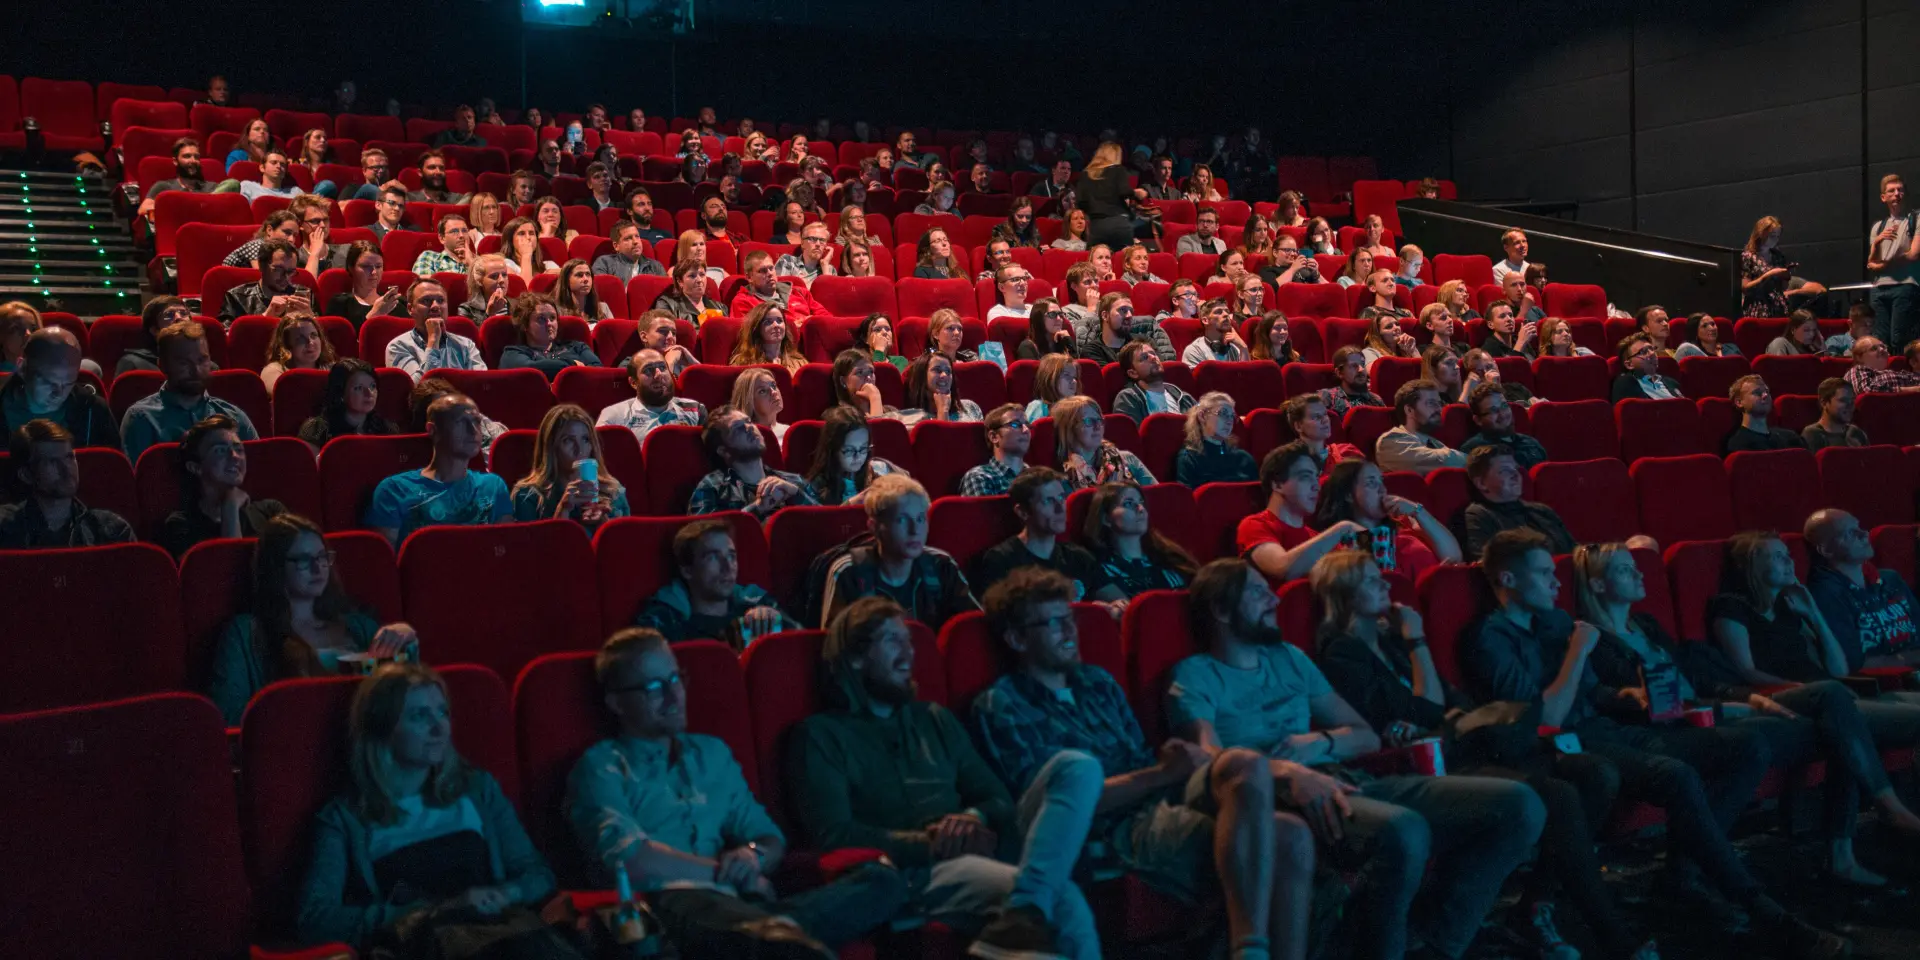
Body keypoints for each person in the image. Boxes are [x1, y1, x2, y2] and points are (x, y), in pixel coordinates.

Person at [1463, 531, 1853, 960]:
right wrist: (1578, 652)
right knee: (1676, 775)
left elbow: (1592, 694)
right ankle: (1762, 910)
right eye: (1542, 574)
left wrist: (1628, 696)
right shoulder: (1490, 638)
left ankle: (1682, 875)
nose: (1556, 584)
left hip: (1606, 729)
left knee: (1744, 747)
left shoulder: (1555, 622)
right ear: (1508, 579)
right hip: (1558, 747)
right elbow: (1546, 719)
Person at [1172, 557, 1545, 960]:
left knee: (1520, 805)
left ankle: (1433, 944)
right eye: (1258, 592)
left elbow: (1364, 736)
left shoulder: (1289, 659)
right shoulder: (1195, 675)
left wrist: (1318, 744)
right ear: (1221, 609)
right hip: (1279, 797)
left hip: (1345, 775)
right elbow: (1210, 760)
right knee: (1405, 830)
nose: (1273, 600)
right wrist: (1285, 768)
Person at [1310, 551, 1659, 960]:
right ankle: (1612, 938)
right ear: (1345, 595)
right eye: (1373, 581)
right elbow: (1427, 709)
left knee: (1593, 773)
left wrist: (1432, 694)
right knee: (1559, 796)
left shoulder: (1390, 641)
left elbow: (1444, 702)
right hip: (1433, 762)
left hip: (1466, 743)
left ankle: (1535, 906)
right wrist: (1419, 642)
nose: (1387, 585)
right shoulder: (1343, 652)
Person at [970, 567, 1322, 960]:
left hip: (1159, 797)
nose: (1070, 632)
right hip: (1112, 826)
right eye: (1053, 623)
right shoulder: (1003, 704)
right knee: (1285, 834)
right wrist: (1160, 773)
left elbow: (1140, 759)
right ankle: (1250, 951)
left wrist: (1173, 763)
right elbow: (1054, 807)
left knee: (1253, 774)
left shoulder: (1097, 683)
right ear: (1017, 638)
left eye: (1070, 618)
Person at [1576, 538, 1920, 891]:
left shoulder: (1645, 626)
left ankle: (1859, 836)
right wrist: (1733, 706)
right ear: (1598, 585)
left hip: (1723, 709)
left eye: (1635, 566)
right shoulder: (1592, 641)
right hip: (1693, 726)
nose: (1637, 574)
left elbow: (1700, 680)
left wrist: (1752, 699)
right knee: (1839, 720)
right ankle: (1863, 831)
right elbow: (1650, 705)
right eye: (1623, 569)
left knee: (1836, 710)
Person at [791, 596, 1104, 960]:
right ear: (857, 658)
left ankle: (1024, 910)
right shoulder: (821, 735)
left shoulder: (934, 718)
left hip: (987, 840)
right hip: (920, 870)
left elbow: (997, 798)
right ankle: (1026, 909)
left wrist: (973, 818)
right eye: (892, 640)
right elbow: (835, 834)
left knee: (1077, 766)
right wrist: (932, 842)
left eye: (909, 640)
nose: (908, 653)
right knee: (1064, 901)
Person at [568, 630, 906, 957]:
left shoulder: (711, 754)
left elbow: (768, 837)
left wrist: (751, 857)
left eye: (676, 679)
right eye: (654, 687)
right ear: (616, 703)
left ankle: (780, 930)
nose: (674, 696)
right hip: (670, 906)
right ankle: (783, 936)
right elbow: (630, 861)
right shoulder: (601, 766)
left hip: (742, 904)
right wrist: (720, 871)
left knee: (882, 881)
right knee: (759, 932)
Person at [295, 664, 559, 952]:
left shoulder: (477, 789)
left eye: (442, 712)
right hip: (425, 945)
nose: (439, 728)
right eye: (419, 716)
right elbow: (315, 919)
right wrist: (433, 911)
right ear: (382, 728)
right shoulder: (344, 818)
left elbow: (538, 874)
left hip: (503, 936)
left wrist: (507, 893)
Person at [203, 513, 419, 724]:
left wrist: (405, 639)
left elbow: (405, 698)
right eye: (303, 560)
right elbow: (229, 716)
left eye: (322, 557)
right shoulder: (245, 633)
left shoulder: (359, 626)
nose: (318, 568)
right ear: (276, 567)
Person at [820, 474, 977, 629]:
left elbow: (972, 628)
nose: (915, 530)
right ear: (874, 527)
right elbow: (834, 647)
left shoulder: (941, 566)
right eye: (902, 519)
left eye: (921, 519)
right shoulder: (850, 572)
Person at [364, 393, 510, 546]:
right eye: (461, 422)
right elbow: (385, 563)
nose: (473, 431)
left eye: (476, 422)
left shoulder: (493, 486)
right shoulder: (394, 490)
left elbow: (505, 554)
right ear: (433, 430)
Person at [971, 467, 1124, 605]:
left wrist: (1113, 608)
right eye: (1048, 501)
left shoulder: (1077, 556)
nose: (1060, 508)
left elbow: (1119, 601)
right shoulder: (1002, 560)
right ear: (1022, 512)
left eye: (1061, 498)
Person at [632, 520, 795, 648]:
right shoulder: (665, 622)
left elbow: (800, 644)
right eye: (713, 557)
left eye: (731, 556)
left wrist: (777, 621)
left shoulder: (756, 603)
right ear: (687, 570)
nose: (727, 566)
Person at [121, 320, 259, 464]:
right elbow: (139, 482)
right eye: (183, 363)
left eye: (202, 360)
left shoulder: (234, 416)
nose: (196, 370)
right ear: (162, 365)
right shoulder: (141, 418)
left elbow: (258, 472)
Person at [1804, 508, 1920, 674]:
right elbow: (1852, 663)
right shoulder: (1825, 594)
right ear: (1826, 550)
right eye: (1850, 533)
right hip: (1881, 685)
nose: (1864, 534)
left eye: (1859, 527)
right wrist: (1907, 659)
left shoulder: (1890, 579)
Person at [157, 414, 286, 557]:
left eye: (238, 449)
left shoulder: (270, 512)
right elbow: (228, 573)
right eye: (220, 450)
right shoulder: (180, 526)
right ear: (195, 467)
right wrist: (230, 507)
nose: (235, 456)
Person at [1312, 457, 1461, 581]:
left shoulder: (1405, 525)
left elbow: (1454, 557)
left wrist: (1418, 511)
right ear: (1348, 495)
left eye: (1381, 481)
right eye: (1371, 482)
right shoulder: (1340, 543)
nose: (1383, 489)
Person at [0, 419, 135, 547]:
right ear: (26, 474)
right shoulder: (5, 527)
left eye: (70, 458)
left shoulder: (112, 531)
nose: (66, 469)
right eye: (52, 462)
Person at [687, 405, 816, 519]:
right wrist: (757, 508)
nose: (749, 428)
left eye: (748, 422)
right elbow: (704, 537)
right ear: (723, 450)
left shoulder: (792, 481)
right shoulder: (712, 487)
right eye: (738, 428)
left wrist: (796, 494)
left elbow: (828, 523)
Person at [510, 404, 628, 527]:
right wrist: (563, 509)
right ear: (551, 447)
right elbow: (535, 546)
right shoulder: (527, 495)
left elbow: (622, 545)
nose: (579, 449)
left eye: (586, 439)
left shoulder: (612, 490)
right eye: (568, 440)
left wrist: (603, 522)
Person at [0, 327, 116, 447]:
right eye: (48, 382)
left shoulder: (93, 410)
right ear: (22, 368)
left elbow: (110, 463)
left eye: (68, 384)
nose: (58, 394)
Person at [1082, 481, 1197, 596]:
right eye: (1128, 504)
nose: (1141, 509)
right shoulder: (1100, 570)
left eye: (1141, 502)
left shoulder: (1168, 558)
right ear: (1106, 518)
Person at [1459, 444, 1574, 557]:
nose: (1516, 474)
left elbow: (1573, 549)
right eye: (1505, 471)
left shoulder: (1541, 510)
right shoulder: (1479, 515)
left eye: (1515, 469)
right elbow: (1489, 564)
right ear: (1482, 483)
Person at [596, 347, 705, 447]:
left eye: (663, 367)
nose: (659, 374)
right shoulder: (614, 416)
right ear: (633, 382)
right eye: (648, 370)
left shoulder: (695, 409)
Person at [384, 279, 485, 380]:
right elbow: (416, 389)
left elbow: (480, 384)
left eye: (441, 301)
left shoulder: (466, 345)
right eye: (426, 301)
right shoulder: (398, 346)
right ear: (410, 309)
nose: (435, 306)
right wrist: (433, 340)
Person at [805, 405, 904, 506]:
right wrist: (850, 505)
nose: (858, 457)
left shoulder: (876, 471)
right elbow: (819, 519)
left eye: (863, 448)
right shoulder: (818, 485)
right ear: (833, 450)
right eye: (849, 450)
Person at [1052, 395, 1154, 491]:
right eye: (1088, 421)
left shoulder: (1127, 459)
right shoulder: (1060, 475)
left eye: (1099, 420)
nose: (1097, 427)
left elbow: (1156, 498)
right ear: (1069, 428)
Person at [1374, 379, 1466, 476]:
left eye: (1440, 404)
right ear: (1409, 410)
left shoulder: (1434, 442)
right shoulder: (1390, 441)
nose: (1439, 409)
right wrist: (1477, 461)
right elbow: (1443, 460)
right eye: (1431, 403)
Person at [1868, 176, 1920, 348]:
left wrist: (1883, 265)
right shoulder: (1879, 227)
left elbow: (1913, 255)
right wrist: (1876, 243)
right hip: (1879, 289)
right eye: (1891, 190)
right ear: (1883, 197)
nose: (1897, 194)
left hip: (1905, 286)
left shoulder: (1916, 219)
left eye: (1900, 190)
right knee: (1880, 341)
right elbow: (1871, 263)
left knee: (1900, 339)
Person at [298, 359, 393, 451]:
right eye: (359, 388)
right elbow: (307, 465)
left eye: (372, 386)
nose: (369, 394)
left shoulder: (385, 428)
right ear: (340, 393)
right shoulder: (317, 429)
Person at [499, 292, 598, 379]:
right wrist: (573, 364)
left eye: (552, 318)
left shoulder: (577, 347)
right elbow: (531, 370)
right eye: (541, 319)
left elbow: (598, 370)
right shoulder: (512, 353)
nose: (549, 323)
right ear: (525, 325)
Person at [220, 239, 315, 326]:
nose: (286, 277)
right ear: (261, 266)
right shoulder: (236, 297)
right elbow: (227, 337)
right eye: (278, 269)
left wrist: (312, 319)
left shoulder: (304, 296)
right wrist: (265, 317)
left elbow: (323, 339)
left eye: (290, 271)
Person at [1174, 391, 1255, 486]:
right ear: (1202, 416)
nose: (1229, 421)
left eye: (1231, 416)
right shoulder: (1189, 459)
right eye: (1223, 413)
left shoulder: (1244, 458)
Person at [1458, 382, 1546, 468]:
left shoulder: (1531, 443)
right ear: (1478, 420)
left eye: (1504, 406)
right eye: (1493, 410)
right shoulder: (1473, 450)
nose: (1502, 414)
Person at [1073, 142, 1138, 251]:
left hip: (1097, 225)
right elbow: (1124, 192)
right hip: (1119, 224)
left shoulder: (1086, 174)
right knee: (1124, 262)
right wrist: (1136, 193)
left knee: (1095, 261)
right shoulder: (1118, 170)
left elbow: (1081, 203)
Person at [1078, 292, 1175, 365]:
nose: (1129, 316)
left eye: (1131, 311)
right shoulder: (1092, 350)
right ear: (1105, 316)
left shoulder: (1145, 342)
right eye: (1123, 310)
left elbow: (1159, 372)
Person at [1110, 341, 1194, 423]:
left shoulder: (1183, 396)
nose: (1153, 358)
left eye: (1153, 354)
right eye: (1144, 357)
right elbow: (1131, 435)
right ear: (1133, 373)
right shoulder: (1128, 399)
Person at [325, 241, 401, 330]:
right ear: (351, 268)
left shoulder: (395, 302)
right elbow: (342, 341)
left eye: (378, 266)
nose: (374, 272)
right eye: (366, 266)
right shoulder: (340, 304)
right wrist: (374, 314)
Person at [1722, 375, 1803, 454]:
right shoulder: (1738, 443)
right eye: (1757, 393)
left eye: (1767, 392)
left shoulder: (1790, 437)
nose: (1765, 395)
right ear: (1739, 402)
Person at [898, 352, 981, 426]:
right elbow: (942, 442)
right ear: (922, 376)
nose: (944, 375)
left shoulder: (970, 408)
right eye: (937, 370)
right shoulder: (910, 420)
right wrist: (943, 411)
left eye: (948, 371)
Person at [725, 302, 807, 376]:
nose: (776, 325)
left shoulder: (800, 362)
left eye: (779, 320)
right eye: (768, 322)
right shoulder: (742, 363)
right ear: (756, 329)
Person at [1610, 333, 1683, 401]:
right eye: (1643, 352)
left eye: (1652, 349)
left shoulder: (1671, 382)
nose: (1652, 353)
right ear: (1629, 364)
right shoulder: (1625, 383)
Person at [1802, 377, 1869, 449]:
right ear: (1824, 403)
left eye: (1852, 401)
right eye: (1843, 400)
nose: (1850, 405)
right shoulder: (1813, 434)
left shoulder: (1856, 433)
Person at [591, 220, 665, 284]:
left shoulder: (655, 267)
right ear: (616, 246)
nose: (635, 241)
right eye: (628, 238)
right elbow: (601, 292)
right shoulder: (604, 263)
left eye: (637, 236)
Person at [654, 258, 725, 325]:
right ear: (680, 281)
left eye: (702, 275)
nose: (699, 280)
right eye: (692, 276)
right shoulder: (667, 305)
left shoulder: (720, 307)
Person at [1843, 336, 1920, 396]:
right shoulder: (1856, 370)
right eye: (1874, 348)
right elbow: (1866, 390)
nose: (1882, 349)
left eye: (1884, 347)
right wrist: (1911, 390)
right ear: (1859, 357)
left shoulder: (1897, 373)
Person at [1182, 297, 1250, 366]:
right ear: (1205, 320)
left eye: (1227, 311)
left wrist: (1243, 347)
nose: (1226, 314)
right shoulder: (1195, 351)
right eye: (1218, 312)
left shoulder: (1234, 348)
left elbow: (1246, 375)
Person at [1024, 353, 1081, 421]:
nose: (1074, 381)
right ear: (1050, 378)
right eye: (1067, 375)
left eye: (1074, 377)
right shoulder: (1038, 407)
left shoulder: (1079, 408)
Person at [1672, 312, 1738, 359]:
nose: (1712, 328)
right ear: (1695, 332)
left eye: (1713, 324)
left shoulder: (1731, 348)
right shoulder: (1691, 351)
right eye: (1705, 326)